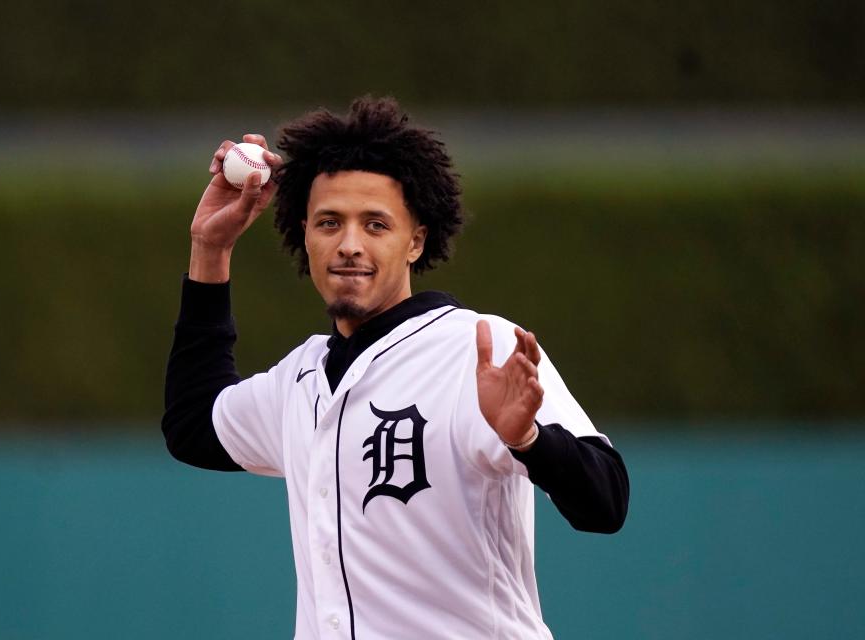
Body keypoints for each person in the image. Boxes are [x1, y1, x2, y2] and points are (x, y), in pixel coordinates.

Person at [163, 96, 629, 639]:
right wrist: (210, 248)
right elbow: (194, 426)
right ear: (304, 236)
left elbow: (607, 501)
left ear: (416, 240)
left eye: (376, 224)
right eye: (329, 222)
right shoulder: (301, 378)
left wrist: (528, 438)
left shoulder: (478, 347)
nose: (350, 245)